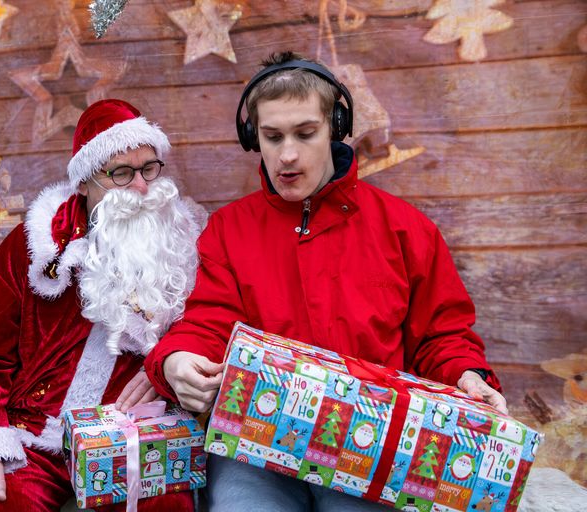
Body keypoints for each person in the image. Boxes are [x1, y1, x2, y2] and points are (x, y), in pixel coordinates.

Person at [144, 52, 507, 511]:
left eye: (305, 133)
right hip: (257, 450)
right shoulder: (229, 230)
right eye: (272, 137)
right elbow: (210, 322)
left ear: (335, 126)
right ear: (252, 137)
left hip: (369, 449)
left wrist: (467, 376)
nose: (288, 154)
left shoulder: (405, 229)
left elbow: (442, 335)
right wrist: (178, 359)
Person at [0, 99, 204, 512]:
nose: (143, 188)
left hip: (130, 435)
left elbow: (210, 323)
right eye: (122, 174)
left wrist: (165, 361)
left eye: (149, 168)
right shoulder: (32, 250)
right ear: (84, 182)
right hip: (31, 437)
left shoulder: (182, 245)